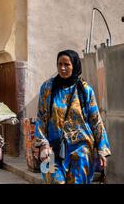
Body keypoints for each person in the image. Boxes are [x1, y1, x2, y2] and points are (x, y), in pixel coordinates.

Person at [34, 49, 111, 184]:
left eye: (67, 64)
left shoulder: (85, 90)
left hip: (80, 149)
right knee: (52, 179)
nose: (62, 68)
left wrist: (101, 150)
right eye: (60, 64)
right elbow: (41, 117)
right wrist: (43, 144)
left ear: (74, 65)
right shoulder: (47, 88)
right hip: (51, 148)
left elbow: (95, 120)